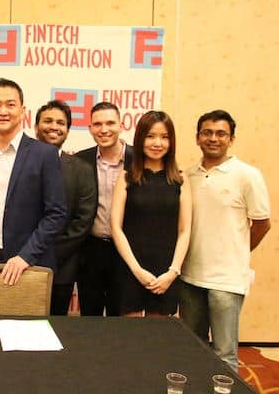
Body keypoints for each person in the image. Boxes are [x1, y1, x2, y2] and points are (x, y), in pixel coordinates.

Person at [179, 110, 271, 372]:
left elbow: (262, 224)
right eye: (207, 133)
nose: (213, 138)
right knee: (192, 349)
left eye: (221, 133)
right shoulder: (187, 176)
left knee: (225, 354)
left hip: (227, 281)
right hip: (190, 277)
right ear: (197, 138)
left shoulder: (247, 175)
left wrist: (238, 253)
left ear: (231, 139)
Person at [0, 78, 67, 285]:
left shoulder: (44, 154)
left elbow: (56, 213)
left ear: (22, 111)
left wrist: (25, 257)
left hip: (29, 266)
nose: (3, 111)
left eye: (10, 105)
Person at [110, 110, 192, 317]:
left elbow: (185, 230)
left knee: (158, 333)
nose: (157, 143)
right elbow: (116, 228)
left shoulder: (181, 179)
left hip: (167, 269)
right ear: (140, 139)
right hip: (130, 267)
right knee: (130, 333)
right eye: (150, 136)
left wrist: (173, 271)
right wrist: (136, 270)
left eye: (164, 137)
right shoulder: (126, 177)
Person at [33, 100, 97, 315]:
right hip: (20, 264)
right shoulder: (18, 164)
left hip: (62, 267)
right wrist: (27, 253)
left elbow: (83, 221)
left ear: (67, 130)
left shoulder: (82, 169)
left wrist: (46, 253)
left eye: (61, 123)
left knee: (55, 326)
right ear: (36, 127)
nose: (54, 126)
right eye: (48, 121)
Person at [75, 102, 133, 316]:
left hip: (128, 252)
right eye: (98, 124)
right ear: (90, 128)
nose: (104, 129)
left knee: (122, 319)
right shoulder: (80, 160)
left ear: (121, 125)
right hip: (91, 251)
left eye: (110, 123)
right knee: (90, 318)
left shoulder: (139, 160)